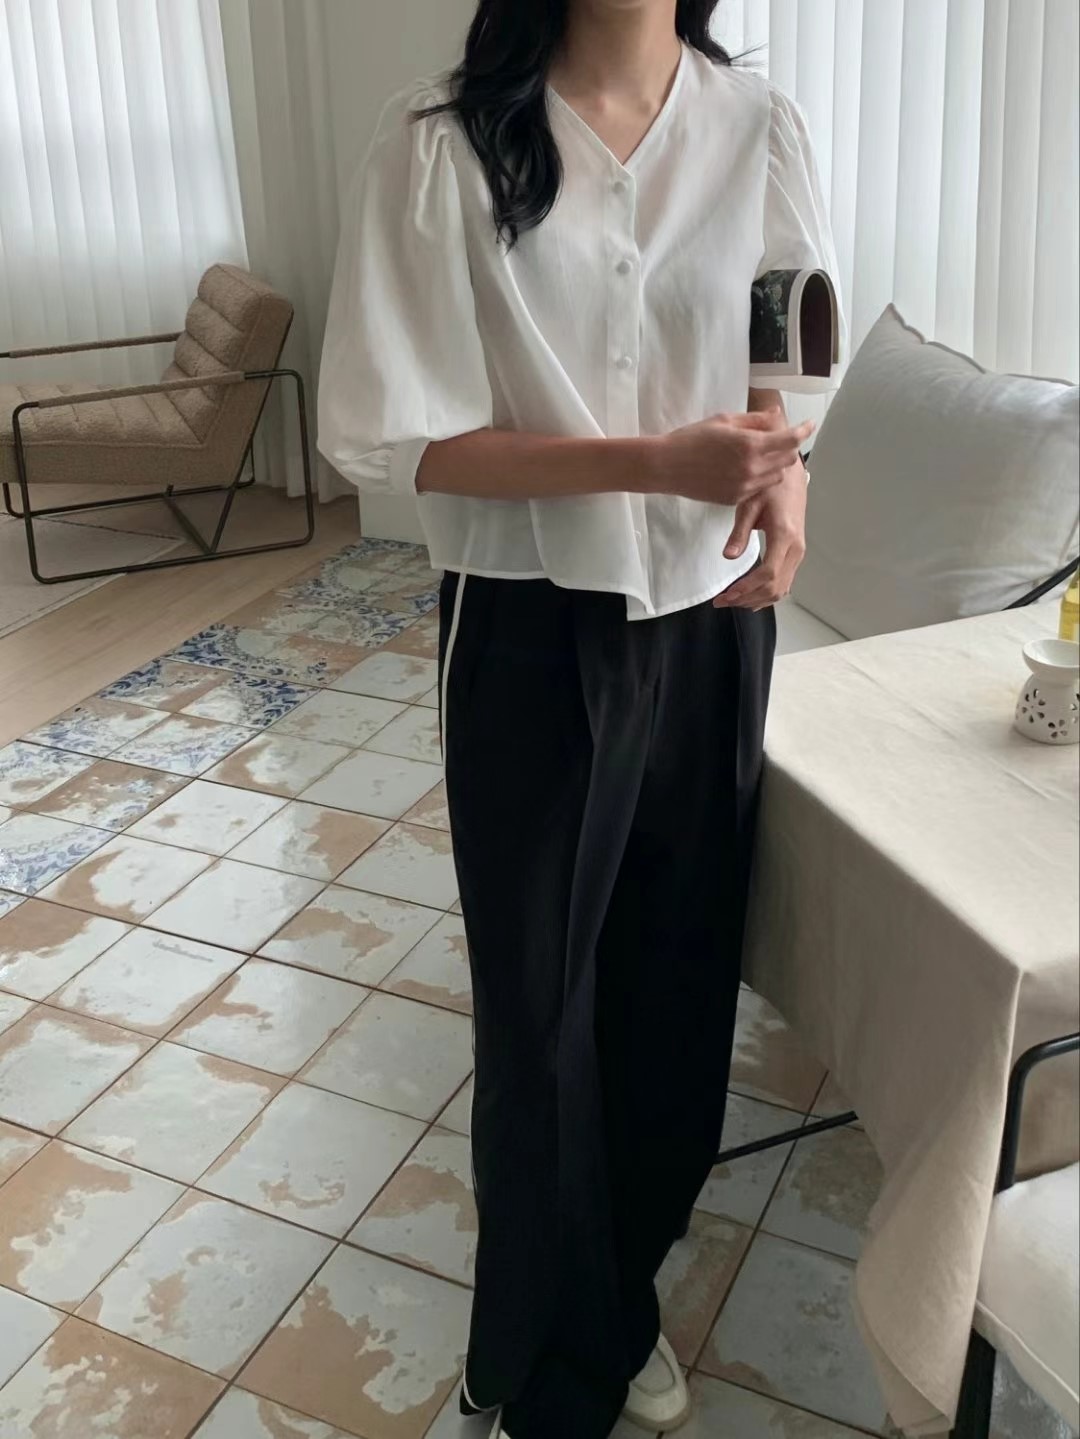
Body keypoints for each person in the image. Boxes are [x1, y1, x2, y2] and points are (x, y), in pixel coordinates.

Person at [318, 3, 843, 1435]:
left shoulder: (758, 128)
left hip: (714, 622)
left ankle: (613, 1302)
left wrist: (785, 483)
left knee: (677, 990)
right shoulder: (445, 142)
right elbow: (398, 434)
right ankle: (537, 1359)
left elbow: (786, 351)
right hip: (528, 626)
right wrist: (651, 462)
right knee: (540, 1015)